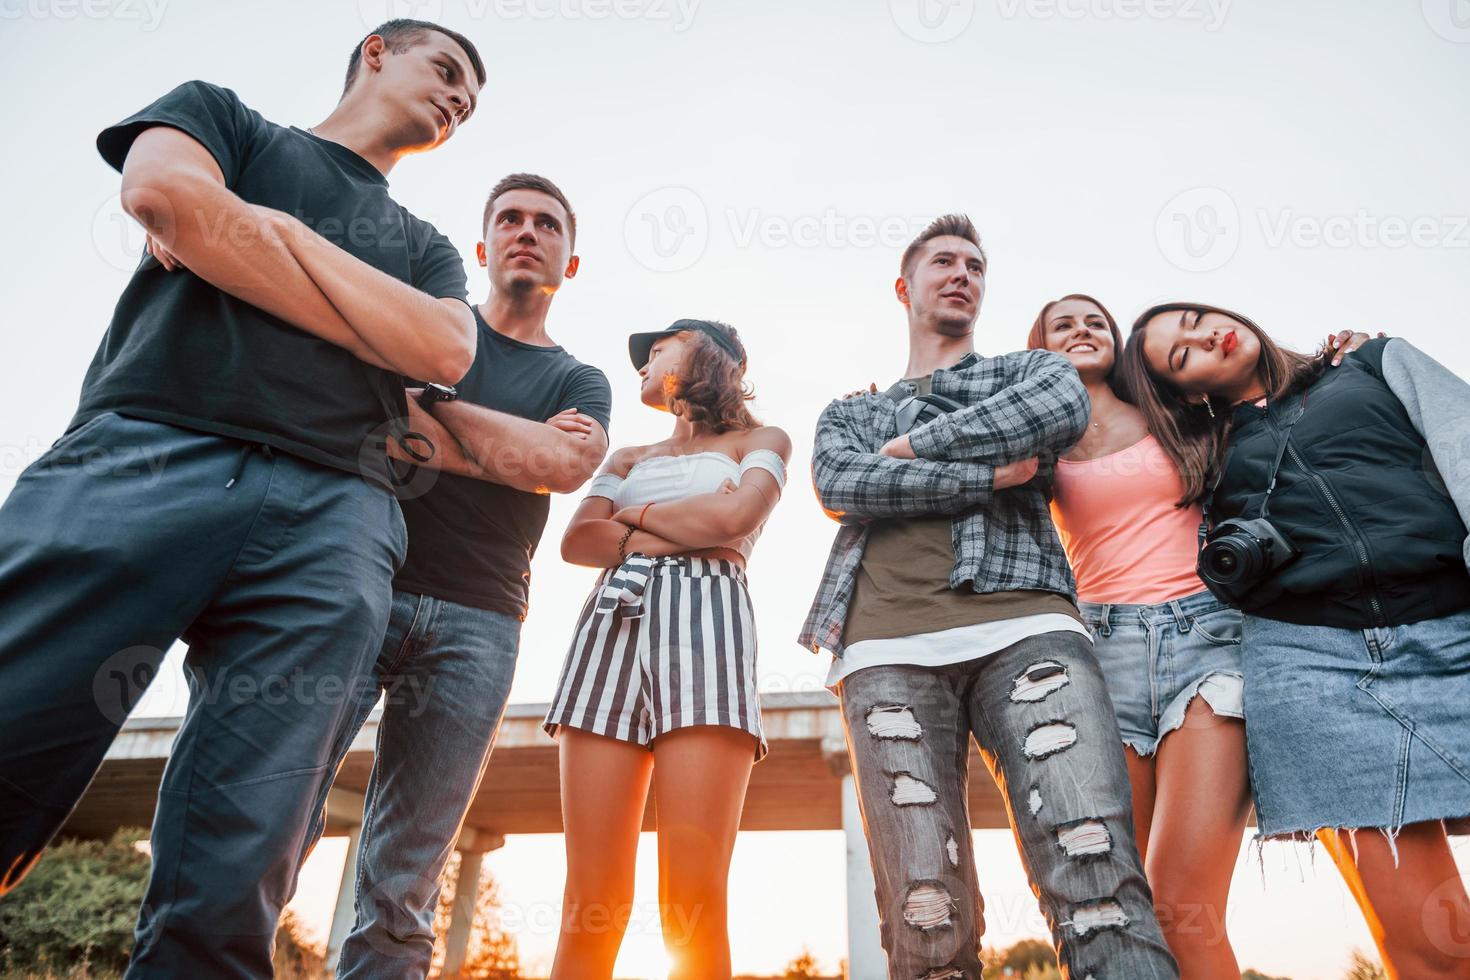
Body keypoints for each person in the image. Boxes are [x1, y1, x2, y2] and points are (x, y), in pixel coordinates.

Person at [0, 20, 483, 978]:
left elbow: (443, 350)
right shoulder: (227, 120)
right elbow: (165, 195)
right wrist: (361, 318)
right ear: (377, 50)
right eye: (448, 70)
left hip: (338, 518)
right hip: (143, 453)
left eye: (471, 99)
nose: (460, 98)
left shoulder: (428, 248)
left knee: (246, 853)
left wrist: (261, 235)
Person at [802, 216, 1178, 978]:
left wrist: (905, 454)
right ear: (904, 288)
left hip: (1029, 628)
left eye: (976, 264)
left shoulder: (1028, 370)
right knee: (923, 910)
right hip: (884, 649)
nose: (962, 273)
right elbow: (843, 483)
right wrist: (982, 475)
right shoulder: (850, 412)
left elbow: (1053, 415)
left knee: (1096, 877)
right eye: (943, 261)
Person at [303, 173, 611, 977]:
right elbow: (381, 431)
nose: (527, 230)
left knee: (406, 876)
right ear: (482, 246)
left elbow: (558, 464)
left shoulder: (581, 383)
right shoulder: (426, 328)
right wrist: (511, 447)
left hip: (481, 622)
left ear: (570, 262)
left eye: (548, 223)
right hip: (360, 584)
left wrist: (432, 408)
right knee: (278, 814)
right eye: (509, 218)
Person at [1123, 301, 1470, 979]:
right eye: (1181, 353)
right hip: (1318, 670)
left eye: (1194, 318)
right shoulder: (1202, 458)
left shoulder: (1375, 361)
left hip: (1452, 625)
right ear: (1187, 391)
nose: (1201, 334)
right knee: (1437, 944)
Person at [1029, 294, 1372, 977]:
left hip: (1207, 641)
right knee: (1130, 908)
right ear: (1040, 350)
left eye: (1094, 319)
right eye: (1062, 323)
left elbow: (1256, 394)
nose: (1082, 329)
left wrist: (1336, 360)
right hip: (1102, 656)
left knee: (1182, 905)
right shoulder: (1037, 447)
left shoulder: (1175, 413)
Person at [544, 319, 790, 980]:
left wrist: (635, 519)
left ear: (710, 355)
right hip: (609, 629)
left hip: (709, 625)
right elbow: (576, 542)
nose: (643, 364)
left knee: (692, 898)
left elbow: (734, 522)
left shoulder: (763, 441)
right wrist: (688, 521)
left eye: (658, 349)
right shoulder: (625, 457)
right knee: (590, 900)